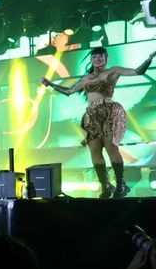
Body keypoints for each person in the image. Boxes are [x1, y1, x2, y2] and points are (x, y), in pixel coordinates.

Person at [41, 45, 156, 198]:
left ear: (107, 58)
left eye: (101, 56)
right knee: (95, 150)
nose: (98, 59)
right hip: (91, 116)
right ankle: (105, 185)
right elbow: (69, 91)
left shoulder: (113, 71)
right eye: (95, 57)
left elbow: (137, 72)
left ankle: (120, 184)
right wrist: (50, 84)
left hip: (108, 113)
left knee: (111, 148)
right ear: (91, 59)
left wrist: (149, 58)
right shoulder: (86, 78)